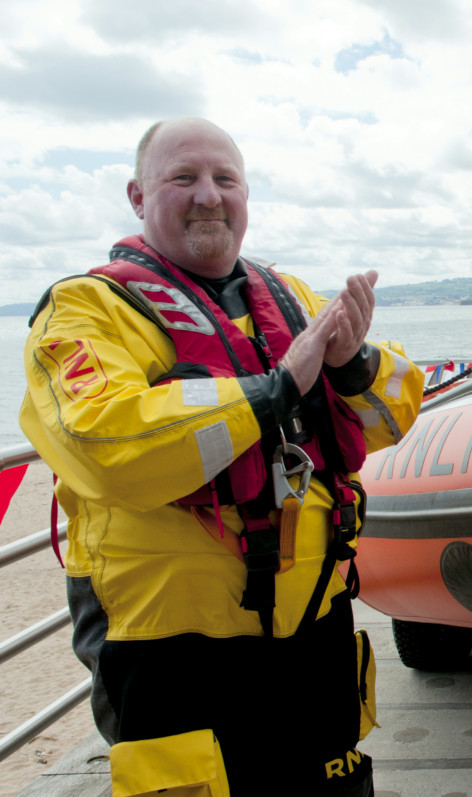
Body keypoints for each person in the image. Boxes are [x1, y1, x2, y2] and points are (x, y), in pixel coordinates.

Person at [20, 118, 424, 795]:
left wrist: (352, 362)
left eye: (225, 179)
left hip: (315, 636)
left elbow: (390, 415)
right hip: (174, 658)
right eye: (184, 177)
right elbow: (108, 441)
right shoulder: (84, 310)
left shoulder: (290, 296)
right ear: (137, 196)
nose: (209, 195)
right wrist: (274, 391)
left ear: (245, 194)